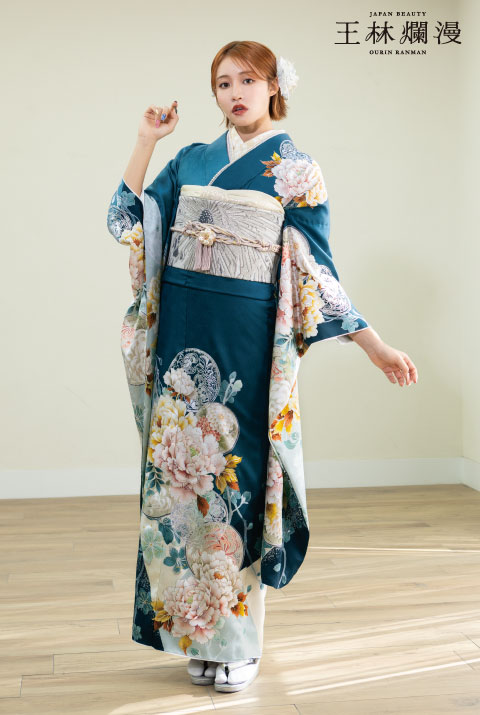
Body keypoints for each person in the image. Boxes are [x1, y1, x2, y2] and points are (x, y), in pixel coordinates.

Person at [107, 40, 418, 694]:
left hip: (245, 343)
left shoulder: (296, 170)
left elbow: (316, 271)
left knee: (237, 483)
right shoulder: (191, 159)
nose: (235, 93)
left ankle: (238, 643)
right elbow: (128, 221)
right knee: (182, 485)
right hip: (183, 340)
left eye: (248, 79)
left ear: (275, 85)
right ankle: (196, 633)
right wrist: (146, 141)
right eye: (223, 83)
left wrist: (374, 344)